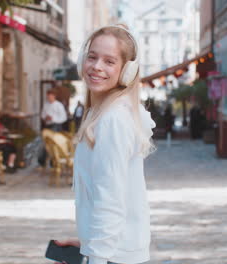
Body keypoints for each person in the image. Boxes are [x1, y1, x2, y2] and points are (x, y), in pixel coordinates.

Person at [54, 24, 156, 264]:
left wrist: (96, 257)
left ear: (126, 71)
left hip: (112, 257)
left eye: (109, 61)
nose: (97, 67)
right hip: (112, 253)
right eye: (92, 57)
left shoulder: (113, 119)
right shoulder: (103, 114)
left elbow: (111, 200)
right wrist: (87, 245)